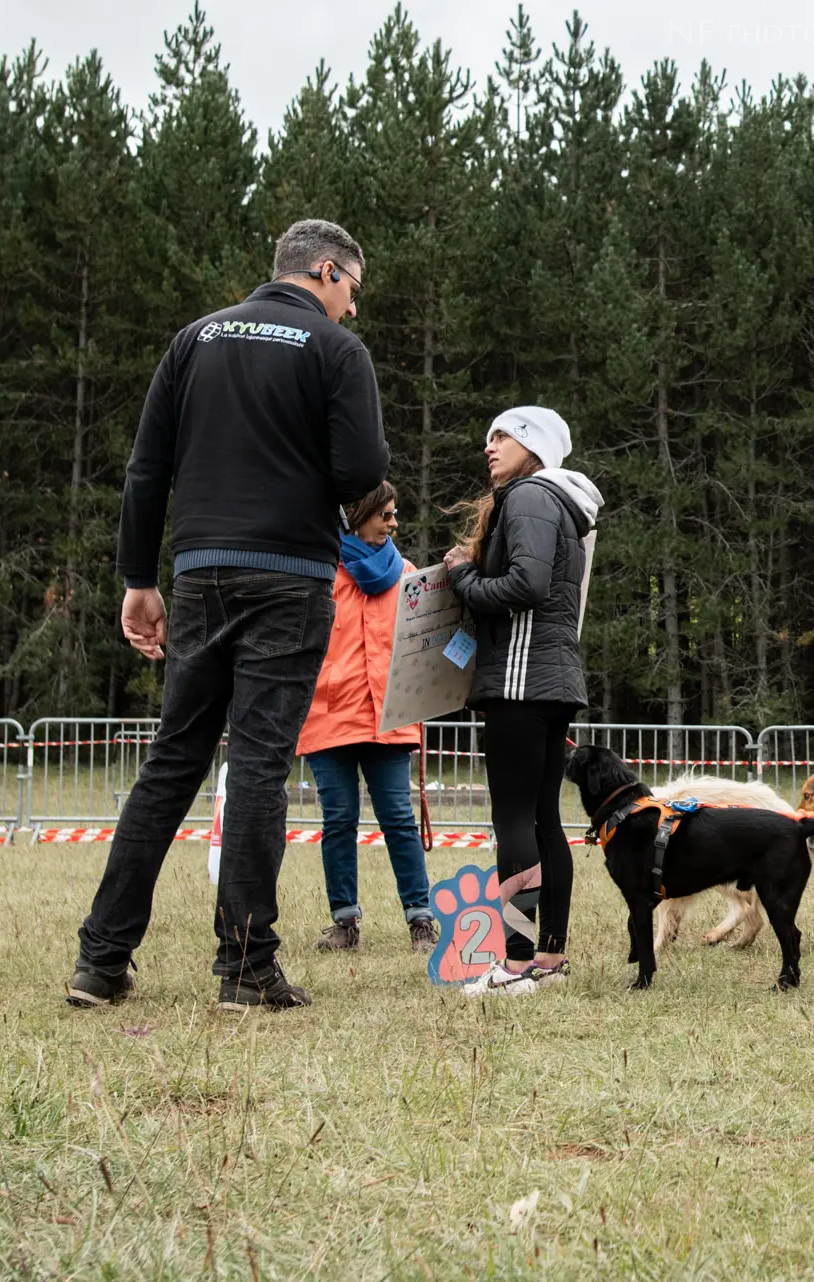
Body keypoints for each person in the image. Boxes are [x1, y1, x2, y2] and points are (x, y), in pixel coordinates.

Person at [67, 219, 389, 1013]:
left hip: (199, 570)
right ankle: (245, 968)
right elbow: (362, 473)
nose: (352, 310)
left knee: (172, 759)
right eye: (351, 289)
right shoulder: (336, 352)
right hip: (288, 575)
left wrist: (139, 579)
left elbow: (147, 469)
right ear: (324, 271)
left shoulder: (193, 339)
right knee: (256, 766)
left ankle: (100, 962)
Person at [442, 407, 602, 996]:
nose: (489, 446)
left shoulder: (530, 497)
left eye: (502, 436)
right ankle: (549, 958)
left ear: (532, 445)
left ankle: (513, 965)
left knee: (513, 819)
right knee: (543, 820)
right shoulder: (559, 504)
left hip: (520, 682)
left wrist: (462, 577)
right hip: (551, 682)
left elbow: (526, 587)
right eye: (487, 436)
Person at [298, 481, 437, 954]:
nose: (394, 523)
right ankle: (344, 924)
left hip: (389, 719)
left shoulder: (410, 576)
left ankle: (421, 920)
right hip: (329, 717)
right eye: (386, 514)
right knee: (339, 820)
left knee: (398, 819)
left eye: (395, 514)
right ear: (357, 515)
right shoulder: (317, 573)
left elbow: (428, 648)